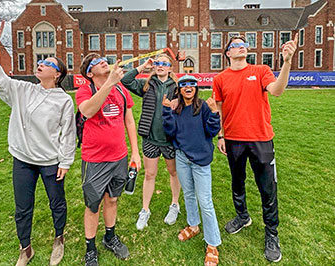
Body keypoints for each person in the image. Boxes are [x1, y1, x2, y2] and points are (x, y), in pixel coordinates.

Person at [0, 21, 76, 266]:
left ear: (57, 74)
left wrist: (65, 161)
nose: (41, 64)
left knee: (57, 203)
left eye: (48, 63)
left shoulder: (63, 101)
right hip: (23, 160)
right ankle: (25, 248)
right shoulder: (22, 90)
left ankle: (59, 238)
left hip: (51, 163)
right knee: (23, 207)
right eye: (41, 62)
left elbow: (68, 133)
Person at [212, 34, 298, 262]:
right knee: (237, 182)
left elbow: (277, 90)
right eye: (235, 45)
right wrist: (221, 136)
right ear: (228, 53)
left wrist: (287, 62)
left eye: (243, 45)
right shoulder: (220, 78)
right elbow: (219, 109)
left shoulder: (261, 70)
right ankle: (242, 216)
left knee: (267, 188)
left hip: (261, 139)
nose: (241, 47)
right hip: (233, 140)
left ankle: (272, 233)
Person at [76, 53, 141, 266]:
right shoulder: (86, 90)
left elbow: (129, 122)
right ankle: (90, 247)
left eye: (104, 58)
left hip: (119, 158)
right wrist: (109, 83)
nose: (103, 61)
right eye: (96, 61)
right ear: (89, 73)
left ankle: (110, 237)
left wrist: (134, 152)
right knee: (93, 205)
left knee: (112, 199)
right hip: (95, 160)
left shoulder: (121, 89)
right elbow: (87, 110)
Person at [162, 75, 222, 266]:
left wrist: (214, 113)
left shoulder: (203, 106)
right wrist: (166, 111)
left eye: (191, 85)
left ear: (196, 88)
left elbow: (212, 132)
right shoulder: (176, 108)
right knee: (188, 194)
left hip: (201, 161)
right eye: (184, 85)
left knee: (205, 201)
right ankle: (193, 225)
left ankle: (213, 244)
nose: (188, 88)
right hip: (182, 158)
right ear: (179, 89)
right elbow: (170, 132)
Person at [121, 54, 181, 230]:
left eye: (164, 63)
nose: (160, 66)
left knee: (173, 172)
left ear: (170, 67)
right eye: (157, 63)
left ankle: (175, 205)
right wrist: (143, 66)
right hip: (150, 138)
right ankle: (145, 210)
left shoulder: (176, 87)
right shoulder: (146, 85)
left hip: (169, 139)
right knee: (149, 174)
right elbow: (126, 80)